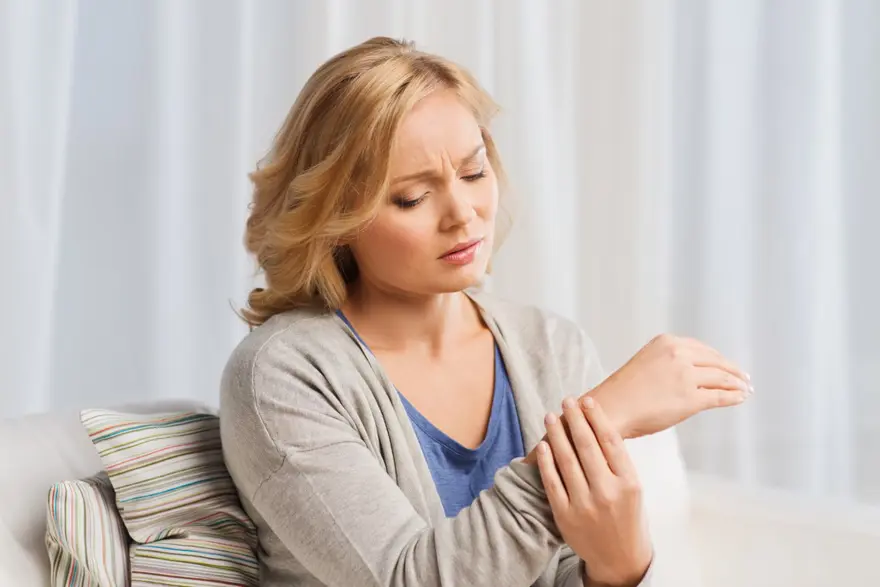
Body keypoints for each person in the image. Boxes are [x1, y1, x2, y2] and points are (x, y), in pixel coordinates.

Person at [220, 36, 752, 587]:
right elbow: (409, 578)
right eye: (412, 197)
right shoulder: (282, 378)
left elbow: (575, 570)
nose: (463, 213)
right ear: (336, 218)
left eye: (473, 173)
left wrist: (621, 567)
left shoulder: (552, 346)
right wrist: (602, 419)